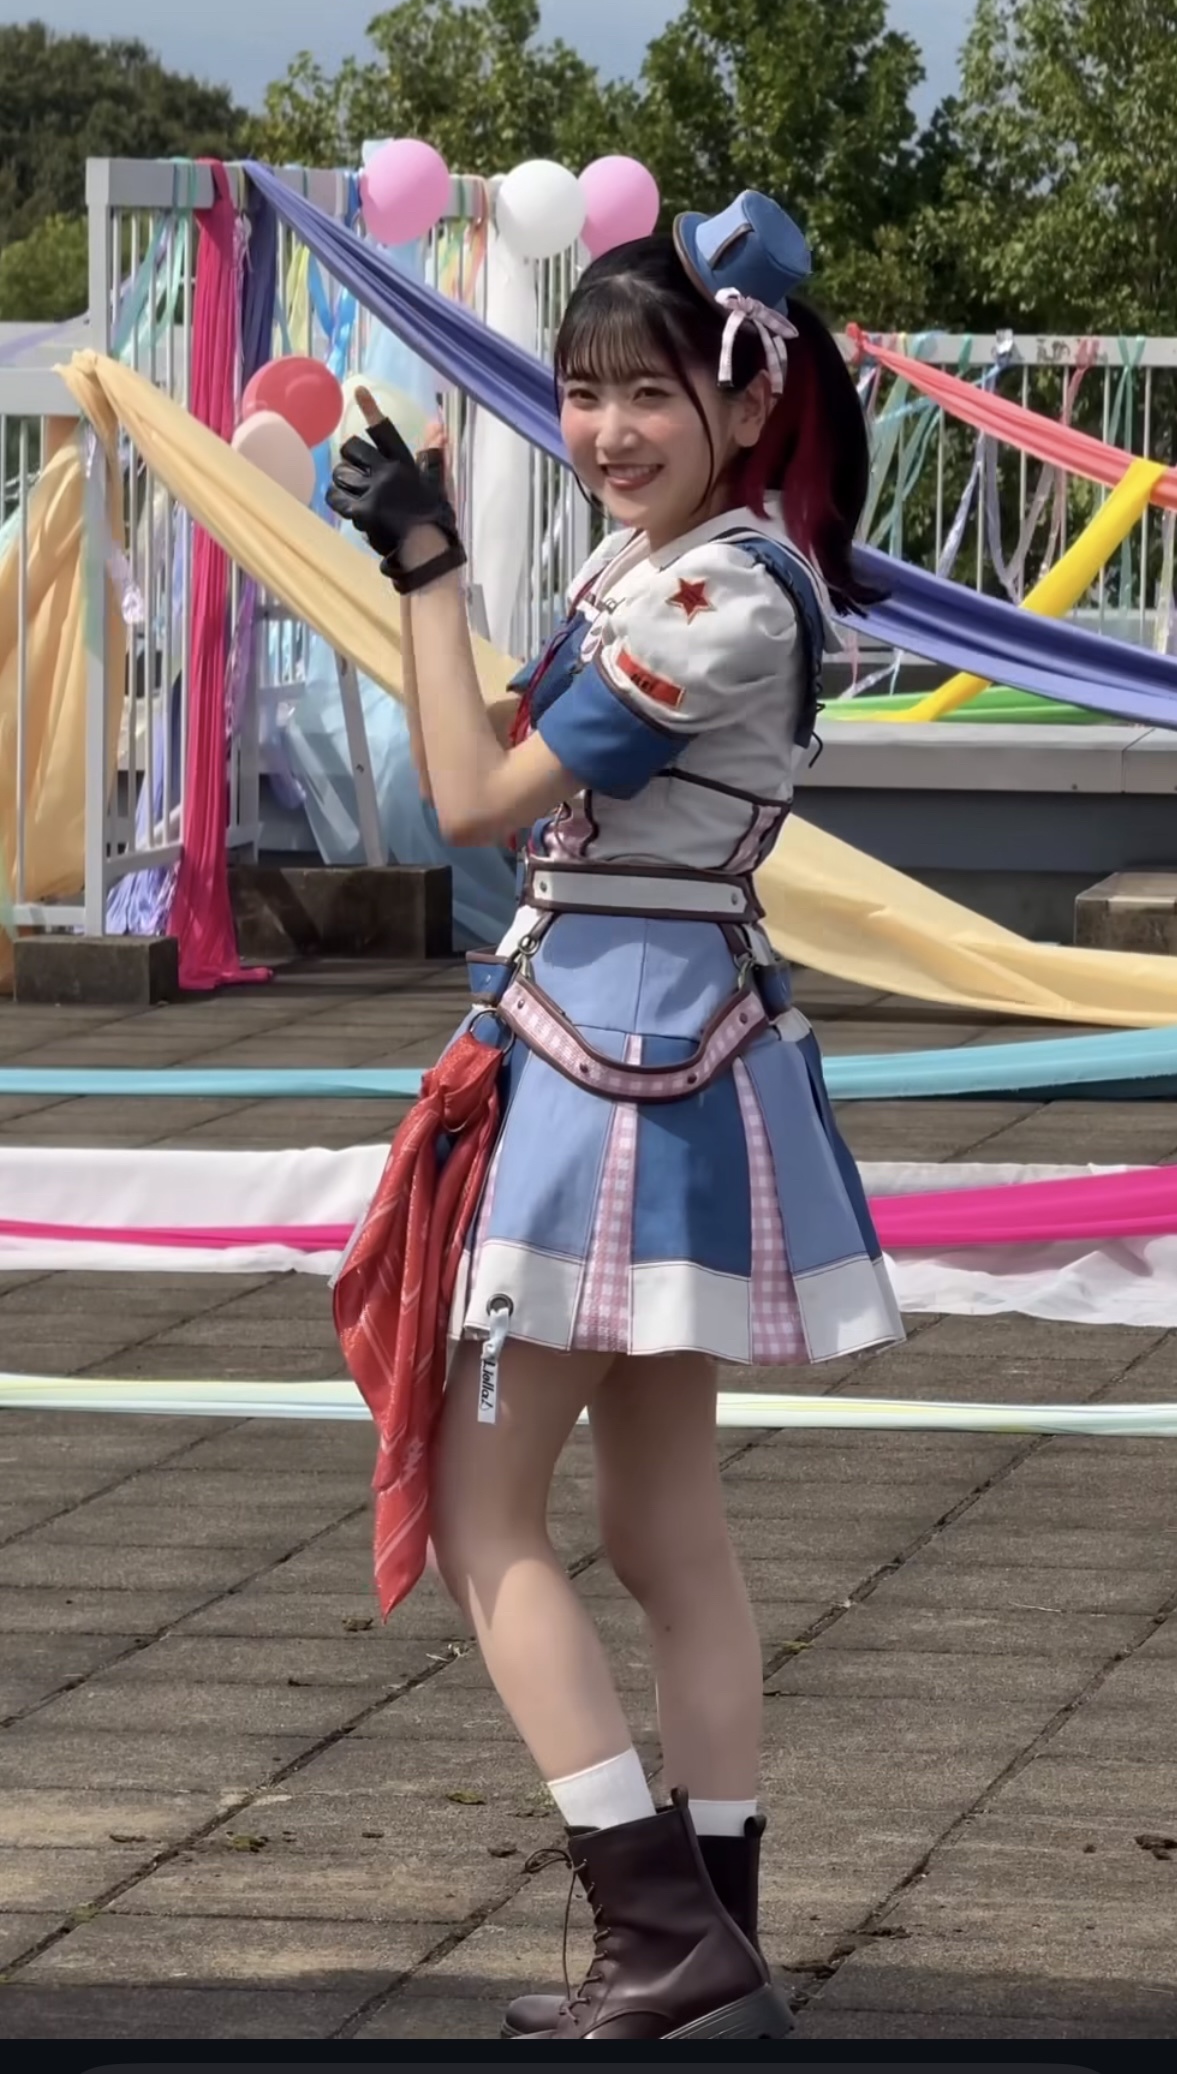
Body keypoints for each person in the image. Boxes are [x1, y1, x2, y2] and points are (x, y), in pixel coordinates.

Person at [327, 189, 904, 2044]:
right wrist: (434, 580)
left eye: (647, 390)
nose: (606, 428)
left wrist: (425, 569)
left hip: (611, 1077)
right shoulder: (670, 572)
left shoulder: (713, 599)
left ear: (745, 399)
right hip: (645, 1048)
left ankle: (662, 1936)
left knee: (486, 1512)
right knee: (662, 1529)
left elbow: (467, 798)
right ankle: (710, 1945)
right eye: (580, 391)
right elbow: (501, 753)